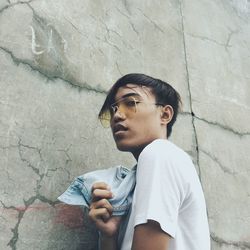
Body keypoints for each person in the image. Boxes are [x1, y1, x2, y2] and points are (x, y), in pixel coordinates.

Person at [88, 73, 211, 250]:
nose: (117, 115)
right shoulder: (139, 179)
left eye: (131, 103)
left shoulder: (159, 153)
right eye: (113, 109)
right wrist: (110, 235)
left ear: (165, 114)